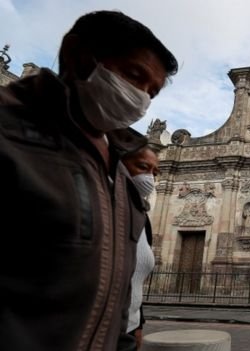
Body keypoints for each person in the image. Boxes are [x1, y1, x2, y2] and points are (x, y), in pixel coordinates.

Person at [0, 10, 177, 351]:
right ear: (77, 55)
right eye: (134, 75)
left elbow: (118, 287)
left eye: (151, 93)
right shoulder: (10, 133)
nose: (139, 98)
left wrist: (126, 338)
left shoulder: (124, 177)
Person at [119, 146, 160, 351]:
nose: (149, 177)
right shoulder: (108, 208)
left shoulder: (143, 220)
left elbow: (135, 283)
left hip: (129, 326)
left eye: (155, 172)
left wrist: (139, 322)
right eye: (143, 167)